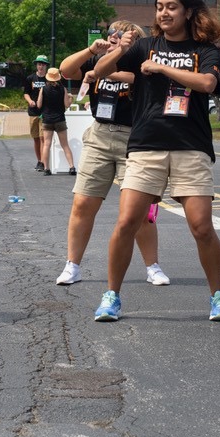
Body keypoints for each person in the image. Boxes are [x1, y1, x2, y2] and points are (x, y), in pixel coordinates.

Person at [89, 0, 220, 322]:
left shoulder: (205, 50)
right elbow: (101, 71)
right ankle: (112, 296)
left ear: (188, 12)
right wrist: (120, 49)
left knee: (202, 228)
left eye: (171, 7)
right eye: (158, 7)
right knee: (127, 223)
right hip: (146, 146)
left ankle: (218, 297)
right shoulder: (143, 46)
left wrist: (163, 69)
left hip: (190, 146)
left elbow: (207, 84)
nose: (163, 13)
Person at [55, 21, 166, 287]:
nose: (113, 38)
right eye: (111, 35)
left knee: (137, 212)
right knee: (83, 203)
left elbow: (133, 78)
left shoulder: (140, 61)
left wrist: (102, 72)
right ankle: (73, 265)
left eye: (121, 36)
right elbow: (65, 69)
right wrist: (91, 52)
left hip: (134, 138)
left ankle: (153, 266)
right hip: (100, 135)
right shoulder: (98, 57)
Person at [37, 67, 76, 176]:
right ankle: (72, 167)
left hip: (47, 120)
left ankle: (46, 168)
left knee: (46, 145)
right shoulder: (62, 89)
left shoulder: (43, 89)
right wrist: (71, 98)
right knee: (65, 145)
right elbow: (67, 105)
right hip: (60, 119)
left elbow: (39, 105)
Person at [23, 55, 50, 171]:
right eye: (39, 64)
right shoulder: (30, 78)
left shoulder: (49, 79)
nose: (41, 66)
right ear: (36, 65)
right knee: (36, 138)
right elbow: (26, 93)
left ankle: (44, 162)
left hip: (45, 112)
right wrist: (30, 101)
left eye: (43, 64)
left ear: (46, 66)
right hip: (33, 112)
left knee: (43, 137)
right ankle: (39, 161)